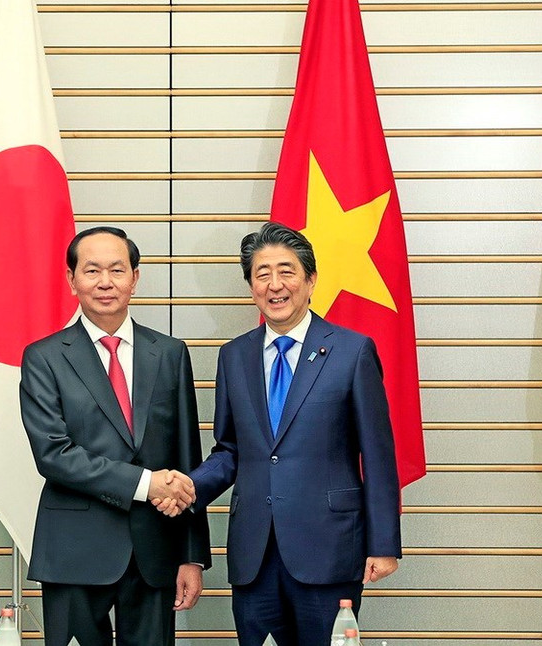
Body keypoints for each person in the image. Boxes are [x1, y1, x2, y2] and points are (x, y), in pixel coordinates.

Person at [155, 222, 401, 646]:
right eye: (261, 273)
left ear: (310, 280)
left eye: (286, 271)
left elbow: (377, 454)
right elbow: (231, 449)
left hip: (328, 548)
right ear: (251, 286)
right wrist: (189, 486)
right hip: (255, 552)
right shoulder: (234, 355)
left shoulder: (352, 350)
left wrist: (384, 543)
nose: (275, 285)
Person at [20, 226, 211, 646]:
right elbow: (53, 454)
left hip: (155, 553)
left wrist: (192, 556)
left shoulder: (170, 353)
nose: (105, 282)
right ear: (72, 280)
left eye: (117, 270)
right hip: (74, 552)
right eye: (91, 271)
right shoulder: (44, 357)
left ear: (135, 277)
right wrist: (146, 483)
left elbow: (187, 458)